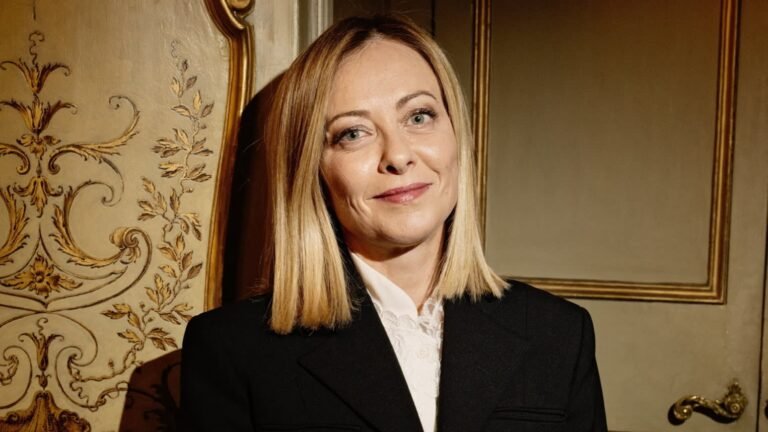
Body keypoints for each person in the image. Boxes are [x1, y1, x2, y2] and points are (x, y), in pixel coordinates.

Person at [179, 14, 606, 432]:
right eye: (353, 133)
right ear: (312, 170)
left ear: (456, 134)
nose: (398, 156)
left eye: (419, 116)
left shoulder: (560, 334)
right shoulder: (232, 351)